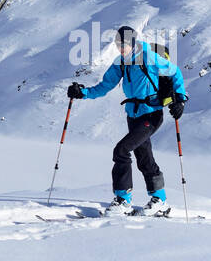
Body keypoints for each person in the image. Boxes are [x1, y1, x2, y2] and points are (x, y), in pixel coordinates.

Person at [67, 25, 187, 215]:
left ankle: (123, 200)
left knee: (121, 150)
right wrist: (82, 93)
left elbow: (175, 72)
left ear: (132, 43)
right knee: (144, 156)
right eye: (118, 44)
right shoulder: (121, 62)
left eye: (124, 44)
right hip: (133, 115)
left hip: (151, 114)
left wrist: (180, 98)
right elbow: (104, 86)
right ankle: (160, 199)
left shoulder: (149, 57)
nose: (121, 48)